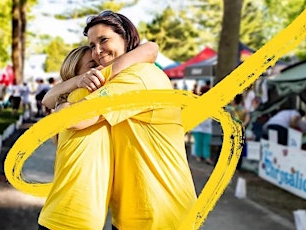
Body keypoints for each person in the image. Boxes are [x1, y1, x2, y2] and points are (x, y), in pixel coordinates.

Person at [41, 10, 196, 229]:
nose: (97, 52)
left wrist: (63, 104)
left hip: (159, 216)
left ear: (127, 38)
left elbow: (73, 117)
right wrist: (76, 81)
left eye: (104, 40)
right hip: (135, 214)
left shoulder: (137, 78)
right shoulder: (122, 77)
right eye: (92, 44)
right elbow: (49, 99)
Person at [38, 42, 159, 229]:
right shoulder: (78, 100)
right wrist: (78, 83)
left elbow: (151, 48)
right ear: (78, 73)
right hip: (67, 221)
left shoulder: (95, 101)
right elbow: (150, 49)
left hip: (73, 219)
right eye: (93, 67)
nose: (101, 69)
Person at [192, 85, 213, 164]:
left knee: (204, 143)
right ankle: (200, 156)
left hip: (205, 126)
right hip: (199, 126)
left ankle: (205, 157)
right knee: (201, 142)